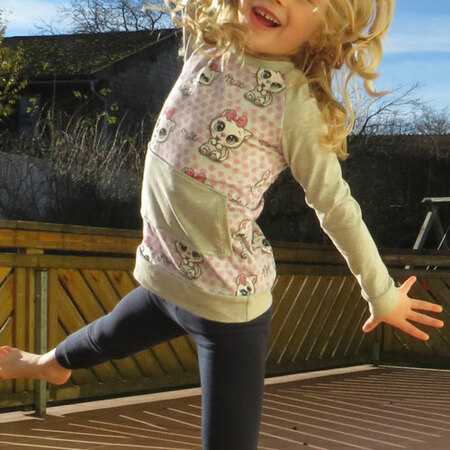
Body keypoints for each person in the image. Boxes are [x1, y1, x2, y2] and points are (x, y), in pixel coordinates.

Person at [0, 0, 444, 448]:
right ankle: (48, 365)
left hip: (229, 304)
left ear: (322, 33)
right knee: (106, 336)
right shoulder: (210, 45)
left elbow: (336, 205)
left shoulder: (294, 104)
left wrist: (381, 293)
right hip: (167, 273)